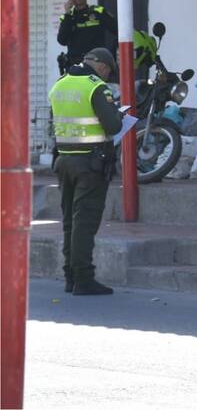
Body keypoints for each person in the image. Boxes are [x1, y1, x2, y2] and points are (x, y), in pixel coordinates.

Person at [49, 47, 123, 295]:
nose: (107, 76)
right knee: (85, 222)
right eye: (108, 71)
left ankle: (70, 275)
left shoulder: (59, 84)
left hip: (64, 161)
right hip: (90, 164)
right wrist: (117, 114)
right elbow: (112, 126)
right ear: (102, 66)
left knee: (70, 220)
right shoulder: (96, 87)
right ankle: (84, 278)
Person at [57, 0, 118, 73]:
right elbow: (62, 40)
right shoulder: (68, 18)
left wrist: (111, 54)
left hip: (96, 65)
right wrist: (68, 14)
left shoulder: (98, 13)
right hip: (75, 66)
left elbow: (119, 31)